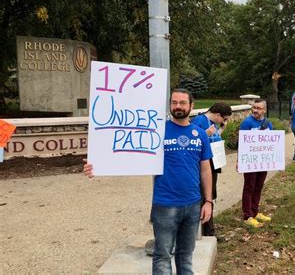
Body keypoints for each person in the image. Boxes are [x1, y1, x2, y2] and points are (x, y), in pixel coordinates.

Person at [84, 88, 213, 274]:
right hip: (165, 204)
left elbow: (205, 169)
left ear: (191, 106)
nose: (178, 106)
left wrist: (208, 201)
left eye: (183, 103)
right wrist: (99, 165)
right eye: (174, 102)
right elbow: (129, 153)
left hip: (193, 204)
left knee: (186, 254)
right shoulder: (157, 131)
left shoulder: (200, 134)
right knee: (162, 255)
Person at [190, 102, 232, 236]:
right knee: (205, 196)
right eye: (224, 118)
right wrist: (205, 134)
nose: (223, 121)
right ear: (218, 115)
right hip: (204, 164)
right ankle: (205, 231)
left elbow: (213, 138)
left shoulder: (213, 123)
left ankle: (208, 230)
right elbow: (192, 141)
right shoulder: (199, 120)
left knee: (210, 196)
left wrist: (221, 130)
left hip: (214, 162)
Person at [239, 99, 273, 228]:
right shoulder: (247, 123)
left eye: (258, 108)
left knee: (258, 187)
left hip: (263, 161)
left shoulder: (268, 123)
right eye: (254, 107)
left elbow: (272, 143)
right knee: (249, 187)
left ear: (264, 110)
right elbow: (242, 143)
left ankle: (255, 211)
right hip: (250, 161)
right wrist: (239, 161)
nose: (255, 110)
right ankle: (247, 215)